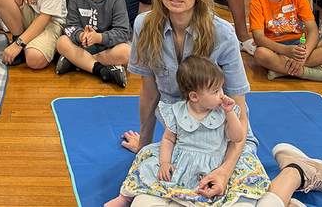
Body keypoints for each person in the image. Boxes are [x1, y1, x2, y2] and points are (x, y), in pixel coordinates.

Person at [120, 0, 322, 207]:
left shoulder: (223, 33)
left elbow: (240, 112)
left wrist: (225, 171)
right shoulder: (144, 25)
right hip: (181, 139)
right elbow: (150, 95)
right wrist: (145, 147)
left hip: (225, 139)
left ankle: (295, 172)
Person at [107, 56, 268, 207]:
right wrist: (164, 163)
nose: (222, 95)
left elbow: (238, 137)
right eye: (215, 91)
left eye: (221, 89)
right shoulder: (178, 111)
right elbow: (168, 139)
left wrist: (230, 113)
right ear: (194, 96)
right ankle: (126, 196)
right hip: (181, 161)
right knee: (146, 162)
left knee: (242, 176)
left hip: (214, 163)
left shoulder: (223, 113)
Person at [55, 0, 131, 87]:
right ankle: (101, 69)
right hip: (83, 46)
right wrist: (81, 35)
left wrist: (99, 38)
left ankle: (77, 63)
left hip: (107, 48)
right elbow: (70, 27)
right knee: (62, 42)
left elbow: (122, 33)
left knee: (127, 52)